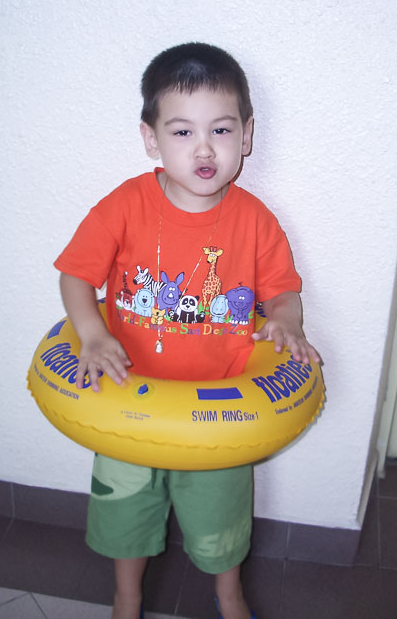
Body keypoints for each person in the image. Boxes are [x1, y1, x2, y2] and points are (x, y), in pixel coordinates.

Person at [55, 43, 320, 619]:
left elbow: (283, 289)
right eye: (182, 132)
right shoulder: (125, 206)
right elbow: (76, 275)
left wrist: (286, 319)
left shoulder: (255, 220)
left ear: (246, 136)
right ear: (151, 139)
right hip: (125, 400)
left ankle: (230, 593)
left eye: (221, 130)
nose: (204, 148)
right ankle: (127, 596)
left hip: (219, 414)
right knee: (126, 514)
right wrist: (92, 335)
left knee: (221, 521)